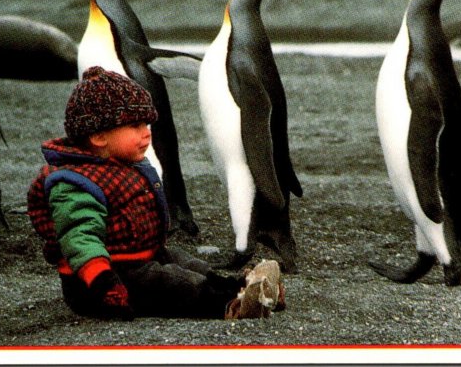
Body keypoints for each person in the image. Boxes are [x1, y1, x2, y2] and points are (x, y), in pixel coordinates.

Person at [31, 66, 284, 320]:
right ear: (98, 136)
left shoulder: (121, 164)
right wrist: (103, 283)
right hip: (102, 280)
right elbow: (79, 238)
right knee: (172, 283)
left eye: (147, 123)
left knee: (187, 262)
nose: (147, 132)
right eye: (135, 125)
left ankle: (237, 286)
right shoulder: (75, 183)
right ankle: (233, 304)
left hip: (139, 256)